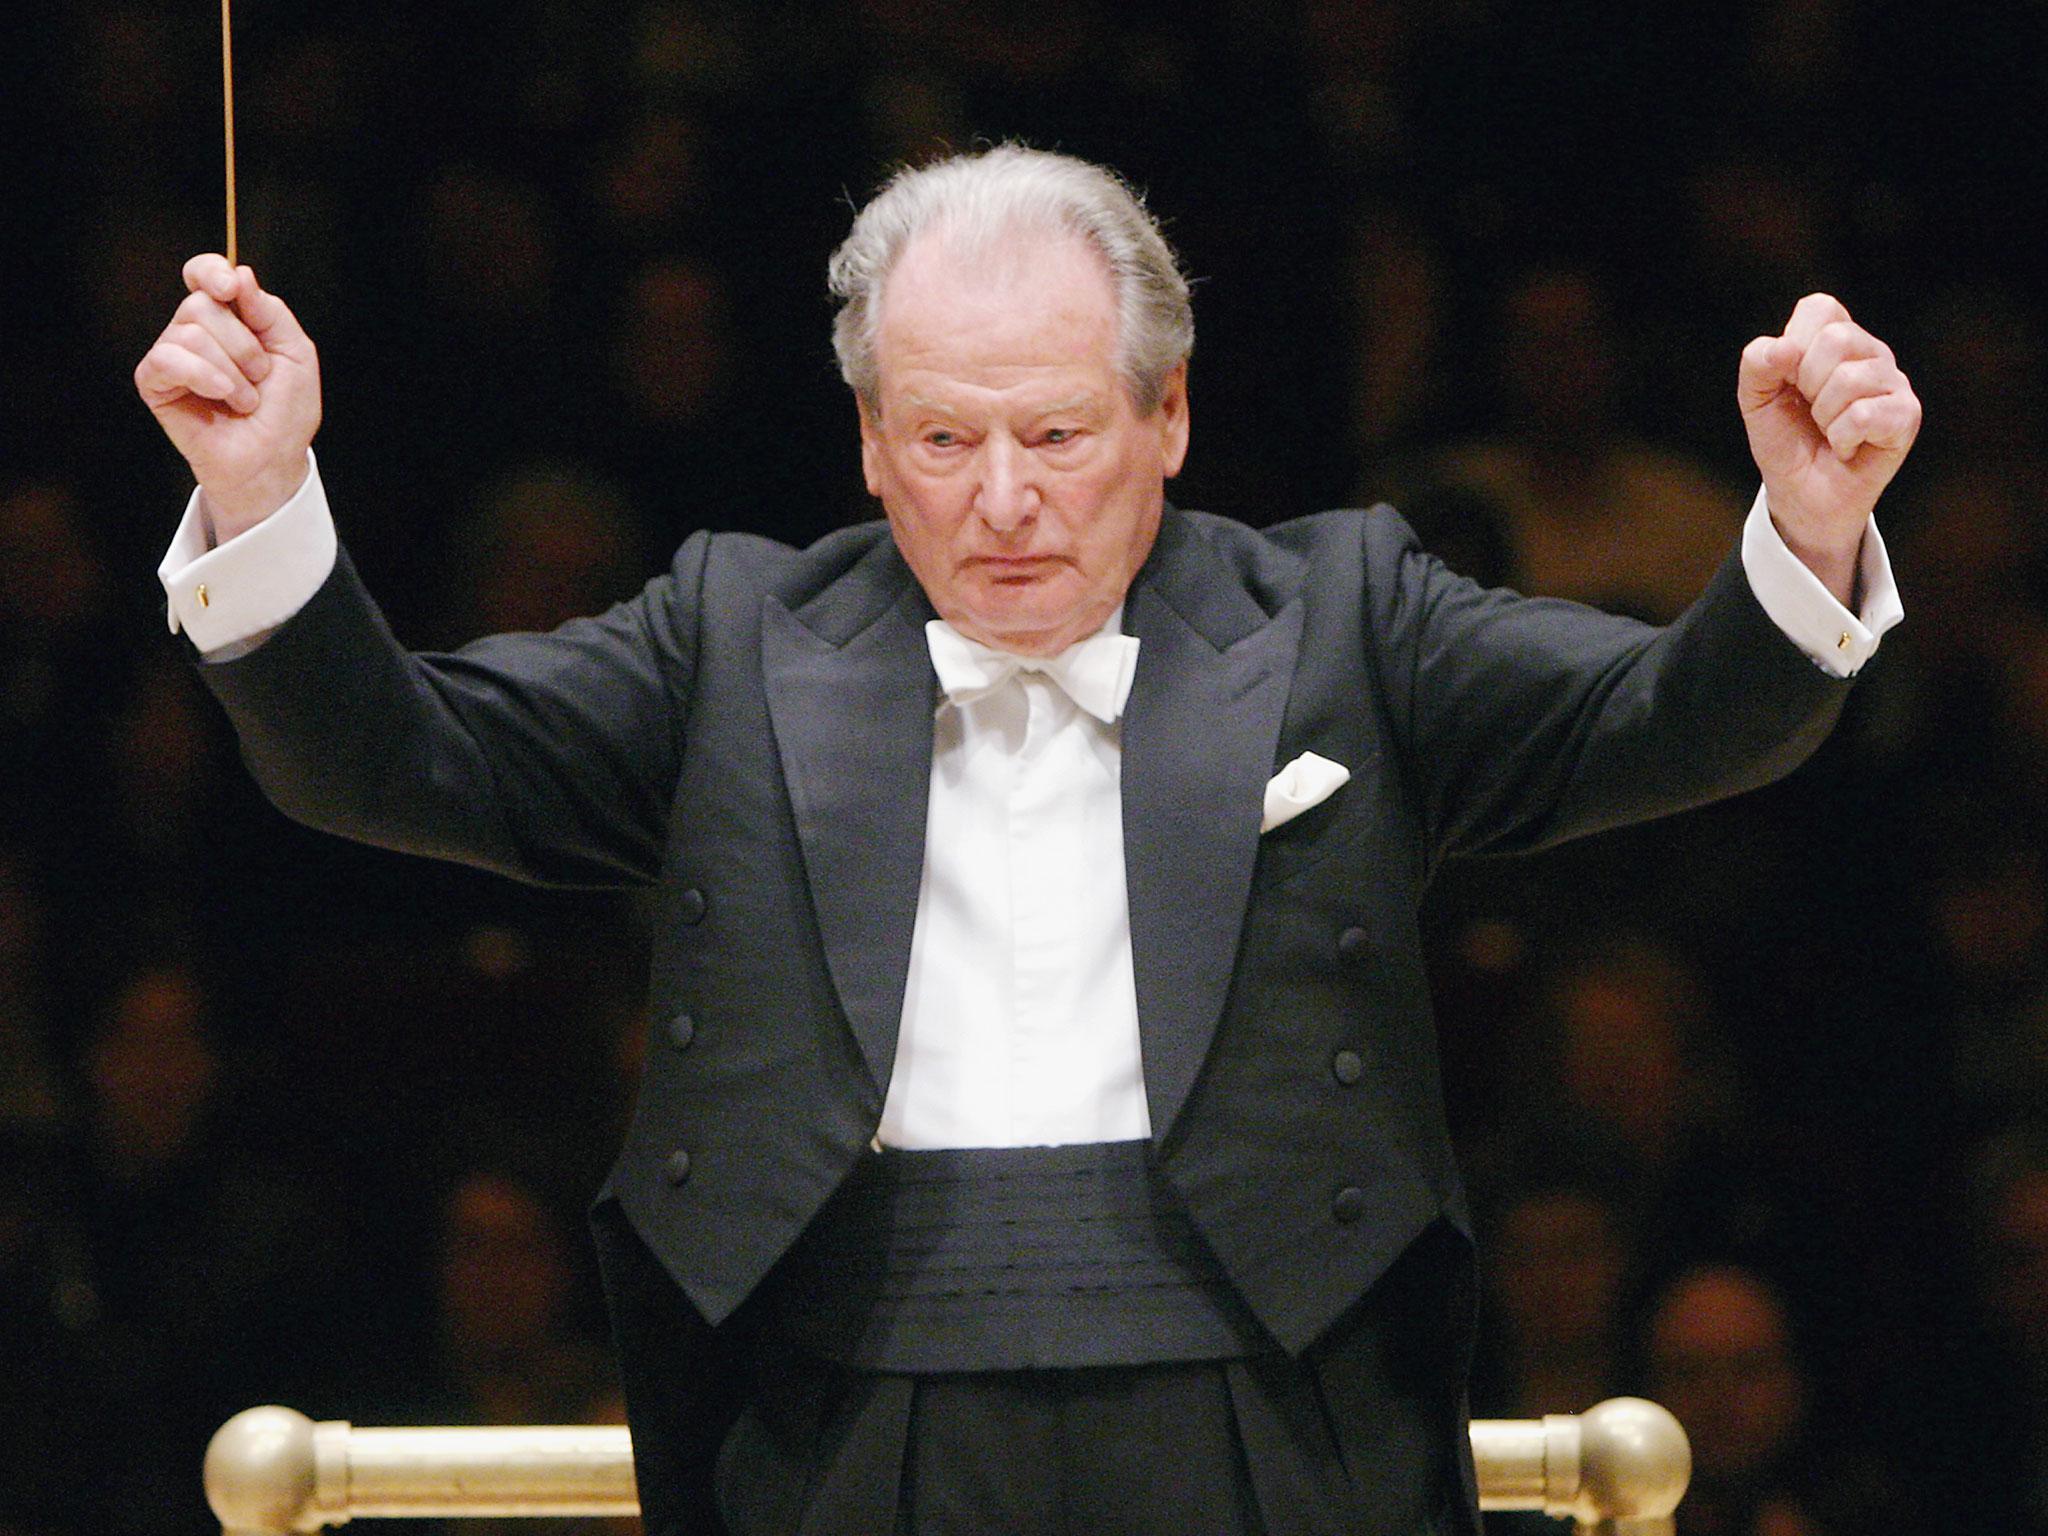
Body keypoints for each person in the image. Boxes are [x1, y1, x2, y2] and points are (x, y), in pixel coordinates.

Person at [134, 146, 1918, 1536]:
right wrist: (258, 496)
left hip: (1270, 1390)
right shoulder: (730, 640)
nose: (1004, 501)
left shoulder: (1347, 620)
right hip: (838, 1397)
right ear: (866, 446)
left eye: (1060, 432)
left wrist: (1807, 528)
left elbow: (1668, 720)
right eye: (943, 437)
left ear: (1170, 419)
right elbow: (399, 760)